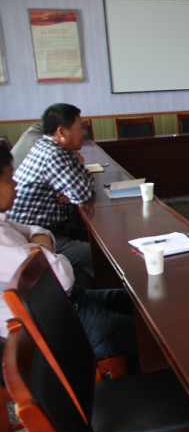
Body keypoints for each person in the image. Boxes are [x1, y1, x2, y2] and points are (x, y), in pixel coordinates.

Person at [0, 144, 139, 373]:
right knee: (145, 332)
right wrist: (43, 249)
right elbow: (63, 276)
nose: (15, 184)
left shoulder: (2, 221)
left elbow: (38, 231)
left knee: (137, 303)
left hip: (64, 303)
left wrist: (39, 250)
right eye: (8, 179)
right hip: (52, 327)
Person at [7, 103, 95, 281]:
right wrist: (76, 188)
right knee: (96, 255)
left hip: (53, 227)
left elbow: (85, 176)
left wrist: (76, 188)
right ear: (62, 132)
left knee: (102, 241)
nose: (84, 133)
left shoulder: (55, 147)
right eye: (80, 127)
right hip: (37, 235)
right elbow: (83, 194)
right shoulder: (52, 154)